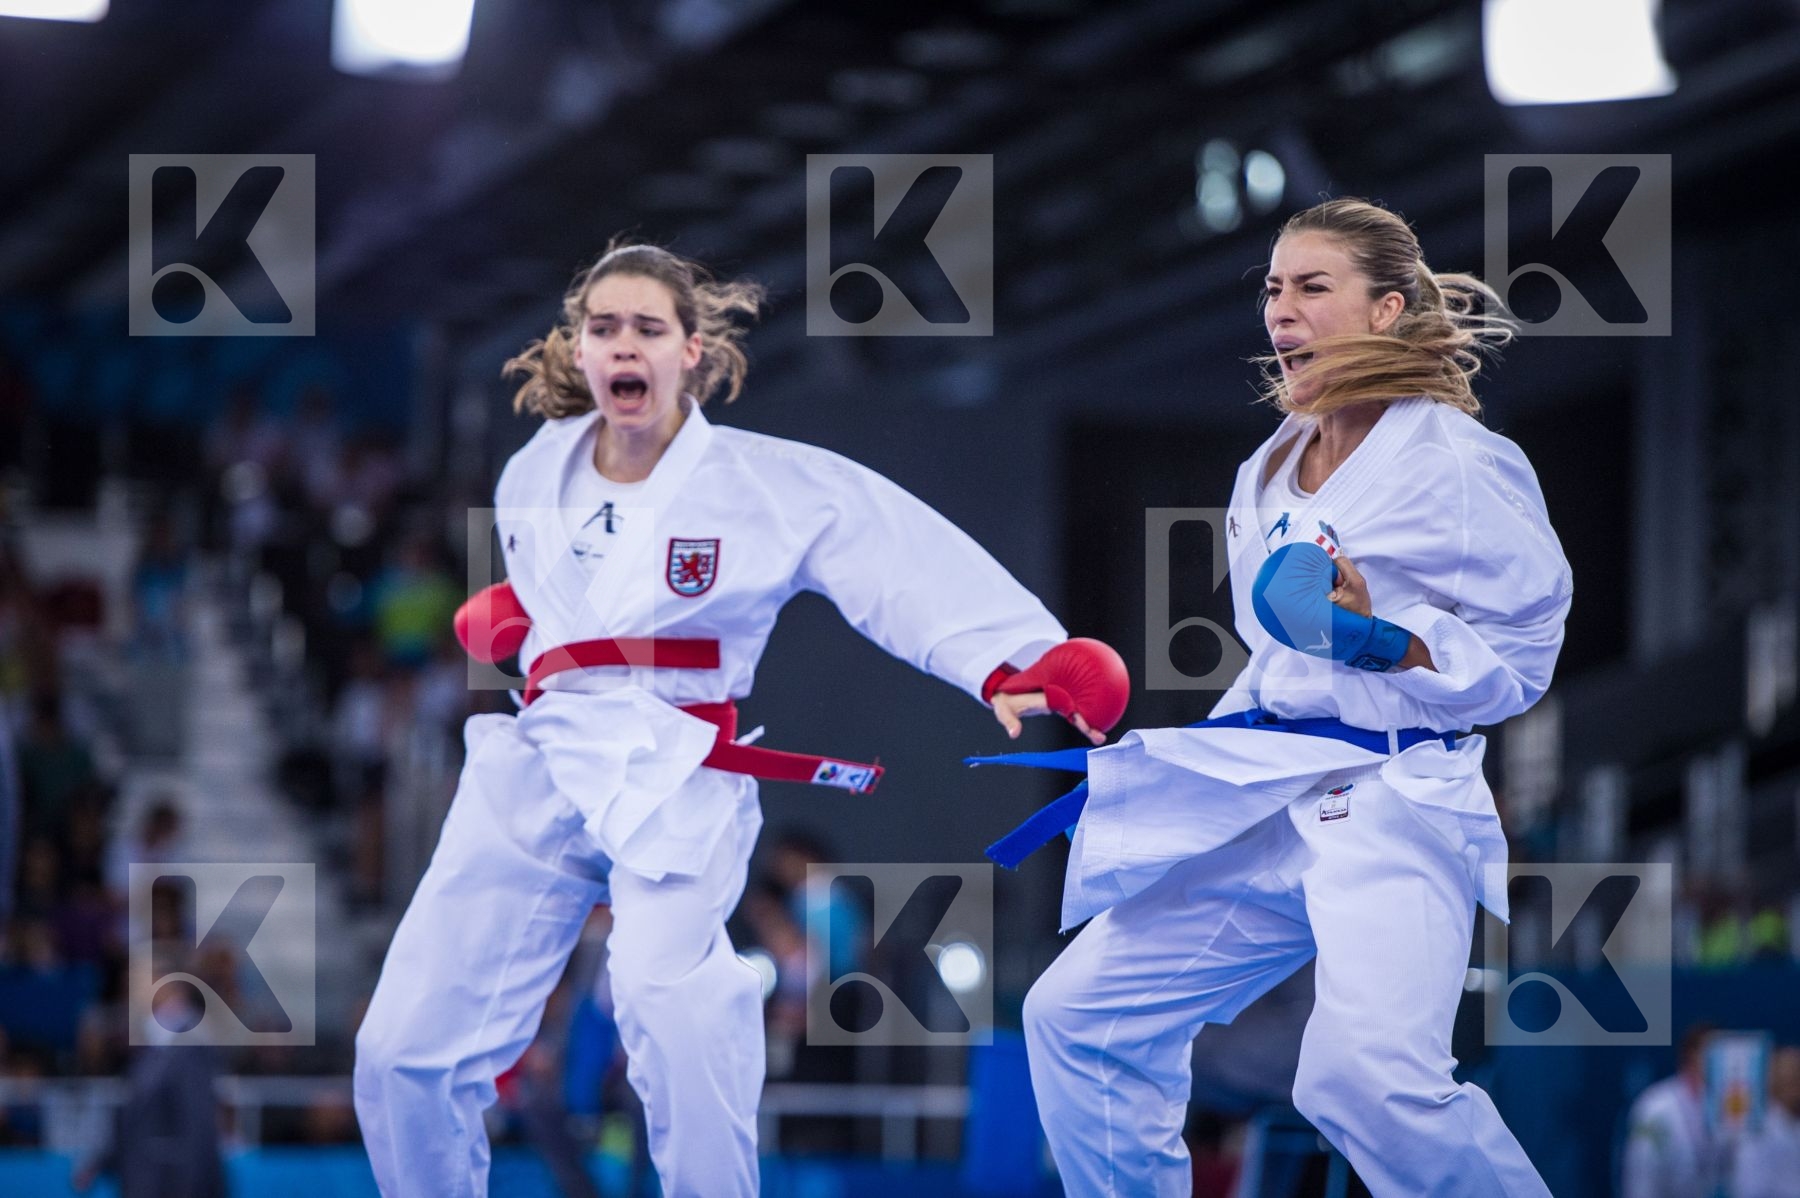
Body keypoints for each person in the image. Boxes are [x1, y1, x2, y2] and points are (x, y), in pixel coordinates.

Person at [350, 242, 1128, 1198]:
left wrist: (1007, 658)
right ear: (581, 351)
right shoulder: (531, 471)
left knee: (669, 1000)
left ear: (692, 353)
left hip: (676, 758)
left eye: (647, 328)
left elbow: (887, 550)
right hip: (539, 753)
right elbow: (571, 591)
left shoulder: (761, 484)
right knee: (399, 1051)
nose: (623, 346)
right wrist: (519, 626)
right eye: (603, 329)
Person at [1006, 198, 1570, 1195]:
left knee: (1363, 1081)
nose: (1282, 309)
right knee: (1076, 1018)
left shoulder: (1459, 462)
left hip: (1393, 795)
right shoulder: (1265, 466)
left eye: (1313, 286)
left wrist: (1386, 638)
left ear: (1388, 308)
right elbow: (1275, 653)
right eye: (1273, 288)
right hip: (1273, 777)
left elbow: (1527, 649)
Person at [1735, 1045, 1800, 1198]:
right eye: (1792, 1079)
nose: (1796, 1087)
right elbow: (1750, 1189)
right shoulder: (1757, 1132)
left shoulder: (1794, 1124)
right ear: (1774, 1083)